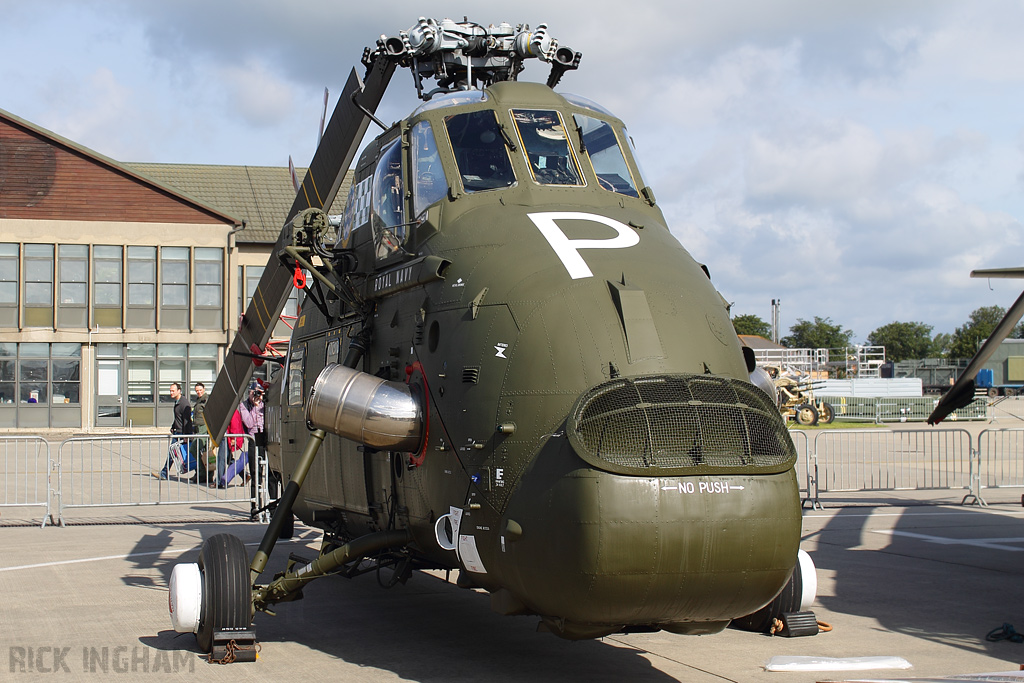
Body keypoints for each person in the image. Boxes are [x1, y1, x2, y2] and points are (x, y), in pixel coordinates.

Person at [156, 382, 195, 480]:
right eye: (170, 391)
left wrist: (187, 436)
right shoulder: (177, 402)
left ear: (179, 391)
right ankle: (164, 472)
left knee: (174, 453)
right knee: (177, 453)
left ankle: (164, 473)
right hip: (177, 431)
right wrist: (173, 426)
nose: (171, 393)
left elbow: (187, 421)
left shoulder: (183, 403)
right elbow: (178, 418)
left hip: (182, 433)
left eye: (173, 391)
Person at [238, 382, 265, 515]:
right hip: (253, 440)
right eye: (253, 392)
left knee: (270, 475)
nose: (255, 394)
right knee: (255, 474)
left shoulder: (265, 404)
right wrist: (254, 407)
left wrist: (262, 402)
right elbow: (249, 423)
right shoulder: (244, 405)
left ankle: (270, 506)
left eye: (258, 391)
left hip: (265, 439)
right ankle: (255, 505)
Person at [192, 382, 211, 484]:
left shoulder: (206, 399)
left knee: (195, 449)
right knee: (202, 452)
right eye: (197, 391)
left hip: (204, 428)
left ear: (204, 389)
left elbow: (211, 414)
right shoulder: (199, 400)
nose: (198, 392)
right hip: (198, 428)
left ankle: (203, 474)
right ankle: (202, 473)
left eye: (200, 390)